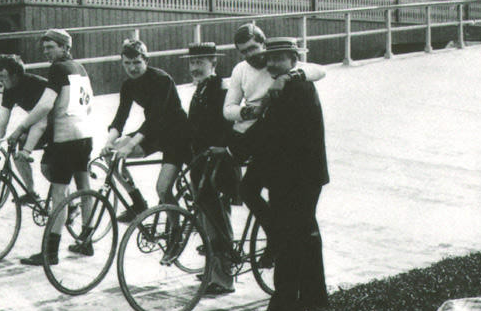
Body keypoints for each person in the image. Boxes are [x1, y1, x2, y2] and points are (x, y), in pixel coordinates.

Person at [224, 23, 325, 261]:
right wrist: (248, 112)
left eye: (253, 48)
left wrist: (289, 75)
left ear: (264, 44)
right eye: (244, 52)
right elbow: (228, 109)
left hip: (271, 140)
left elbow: (319, 70)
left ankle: (277, 242)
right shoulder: (242, 69)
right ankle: (272, 234)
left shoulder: (279, 64)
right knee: (244, 190)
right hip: (253, 134)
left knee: (281, 200)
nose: (250, 56)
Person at [243, 38, 328, 311]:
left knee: (291, 237)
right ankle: (313, 300)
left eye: (279, 58)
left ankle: (285, 303)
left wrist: (232, 149)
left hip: (297, 177)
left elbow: (269, 132)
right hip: (299, 175)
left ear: (293, 60)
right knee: (305, 235)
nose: (271, 64)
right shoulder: (291, 85)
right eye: (269, 59)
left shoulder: (295, 88)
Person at [8, 29, 95, 266]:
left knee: (59, 195)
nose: (46, 52)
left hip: (65, 138)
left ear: (65, 47)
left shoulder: (57, 69)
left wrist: (20, 128)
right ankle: (87, 242)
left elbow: (45, 105)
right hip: (85, 135)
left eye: (51, 47)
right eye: (44, 48)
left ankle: (51, 252)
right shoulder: (80, 68)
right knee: (84, 188)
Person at [103, 38, 191, 223]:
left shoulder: (161, 79)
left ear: (146, 61)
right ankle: (138, 203)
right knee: (110, 156)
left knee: (162, 189)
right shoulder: (128, 85)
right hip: (154, 132)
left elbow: (156, 117)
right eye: (127, 63)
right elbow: (120, 117)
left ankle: (176, 230)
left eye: (137, 63)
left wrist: (131, 145)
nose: (132, 68)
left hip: (177, 134)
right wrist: (109, 142)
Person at [182, 42, 235, 293]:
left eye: (200, 62)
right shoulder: (202, 89)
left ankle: (224, 279)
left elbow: (225, 128)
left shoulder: (221, 89)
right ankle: (212, 271)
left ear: (213, 63)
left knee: (217, 221)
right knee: (206, 220)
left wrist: (218, 153)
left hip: (217, 165)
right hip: (200, 164)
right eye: (192, 62)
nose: (195, 67)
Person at [0, 54, 49, 205]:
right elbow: (2, 121)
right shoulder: (9, 89)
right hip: (38, 123)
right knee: (16, 148)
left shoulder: (36, 84)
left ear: (15, 75)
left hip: (56, 122)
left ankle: (72, 202)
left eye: (3, 76)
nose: (0, 80)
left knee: (50, 166)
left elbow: (43, 117)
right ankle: (31, 192)